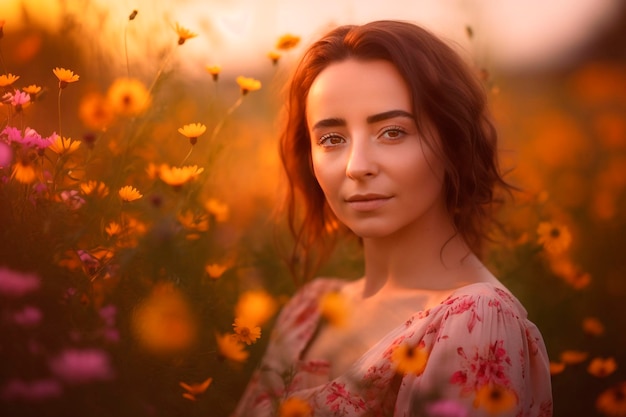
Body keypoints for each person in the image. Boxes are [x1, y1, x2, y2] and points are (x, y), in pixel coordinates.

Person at [233, 20, 552, 417]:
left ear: (453, 143)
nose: (356, 166)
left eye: (392, 132)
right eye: (332, 139)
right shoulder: (309, 310)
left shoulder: (475, 321)